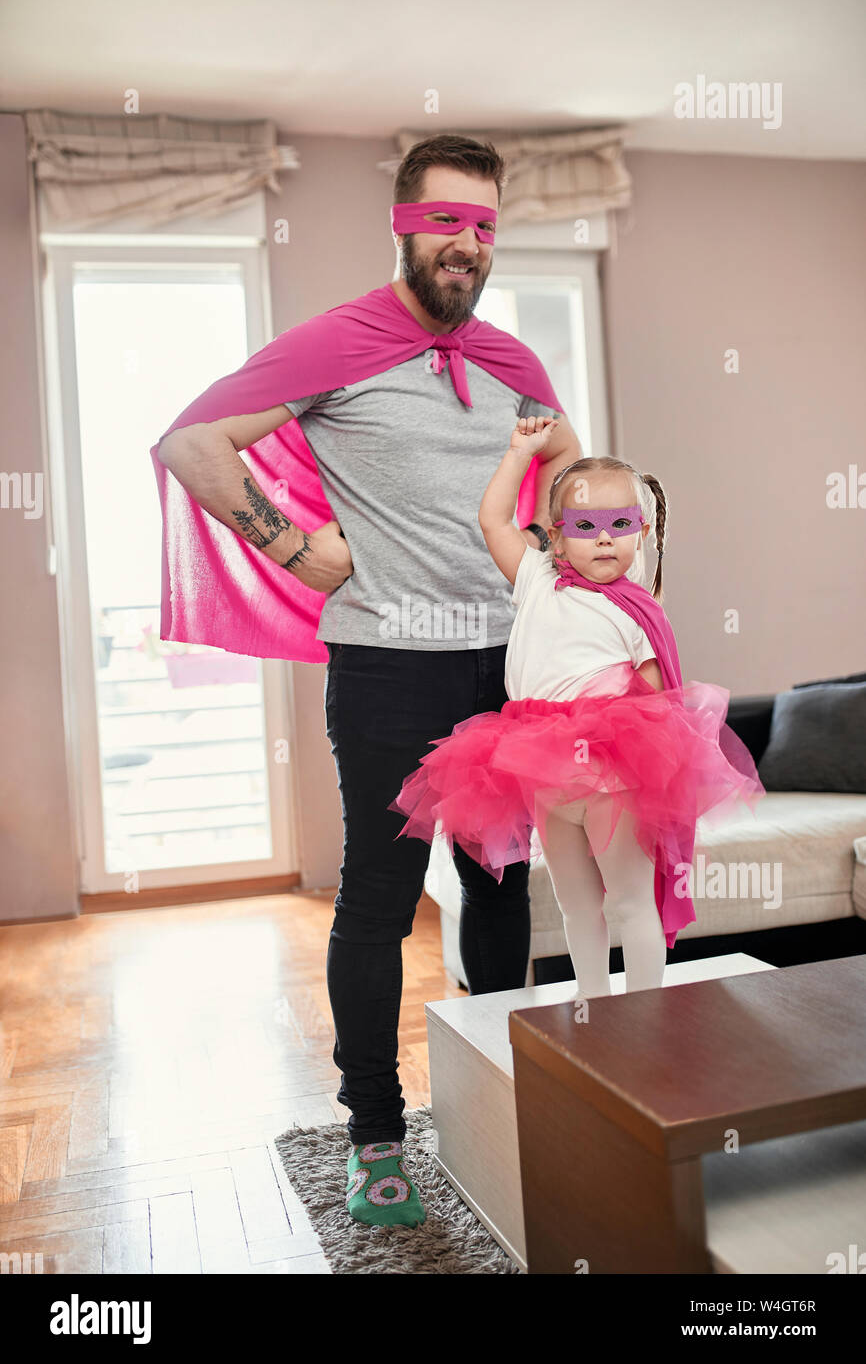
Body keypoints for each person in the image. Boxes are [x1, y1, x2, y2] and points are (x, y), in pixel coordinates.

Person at [153, 133, 584, 1228]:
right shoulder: (339, 343)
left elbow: (571, 483)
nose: (466, 244)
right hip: (388, 668)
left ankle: (497, 1095)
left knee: (495, 892)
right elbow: (195, 443)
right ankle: (376, 1135)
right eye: (445, 220)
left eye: (484, 226)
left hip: (504, 670)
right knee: (379, 907)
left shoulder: (514, 366)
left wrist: (572, 565)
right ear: (402, 224)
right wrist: (295, 548)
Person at [390, 417, 767, 1000]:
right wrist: (520, 454)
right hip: (539, 767)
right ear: (558, 537)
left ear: (641, 534)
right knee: (574, 900)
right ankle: (592, 1001)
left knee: (630, 897)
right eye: (585, 526)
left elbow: (656, 703)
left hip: (610, 774)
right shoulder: (536, 577)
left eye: (620, 524)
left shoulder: (637, 610)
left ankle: (645, 1012)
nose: (604, 538)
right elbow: (492, 519)